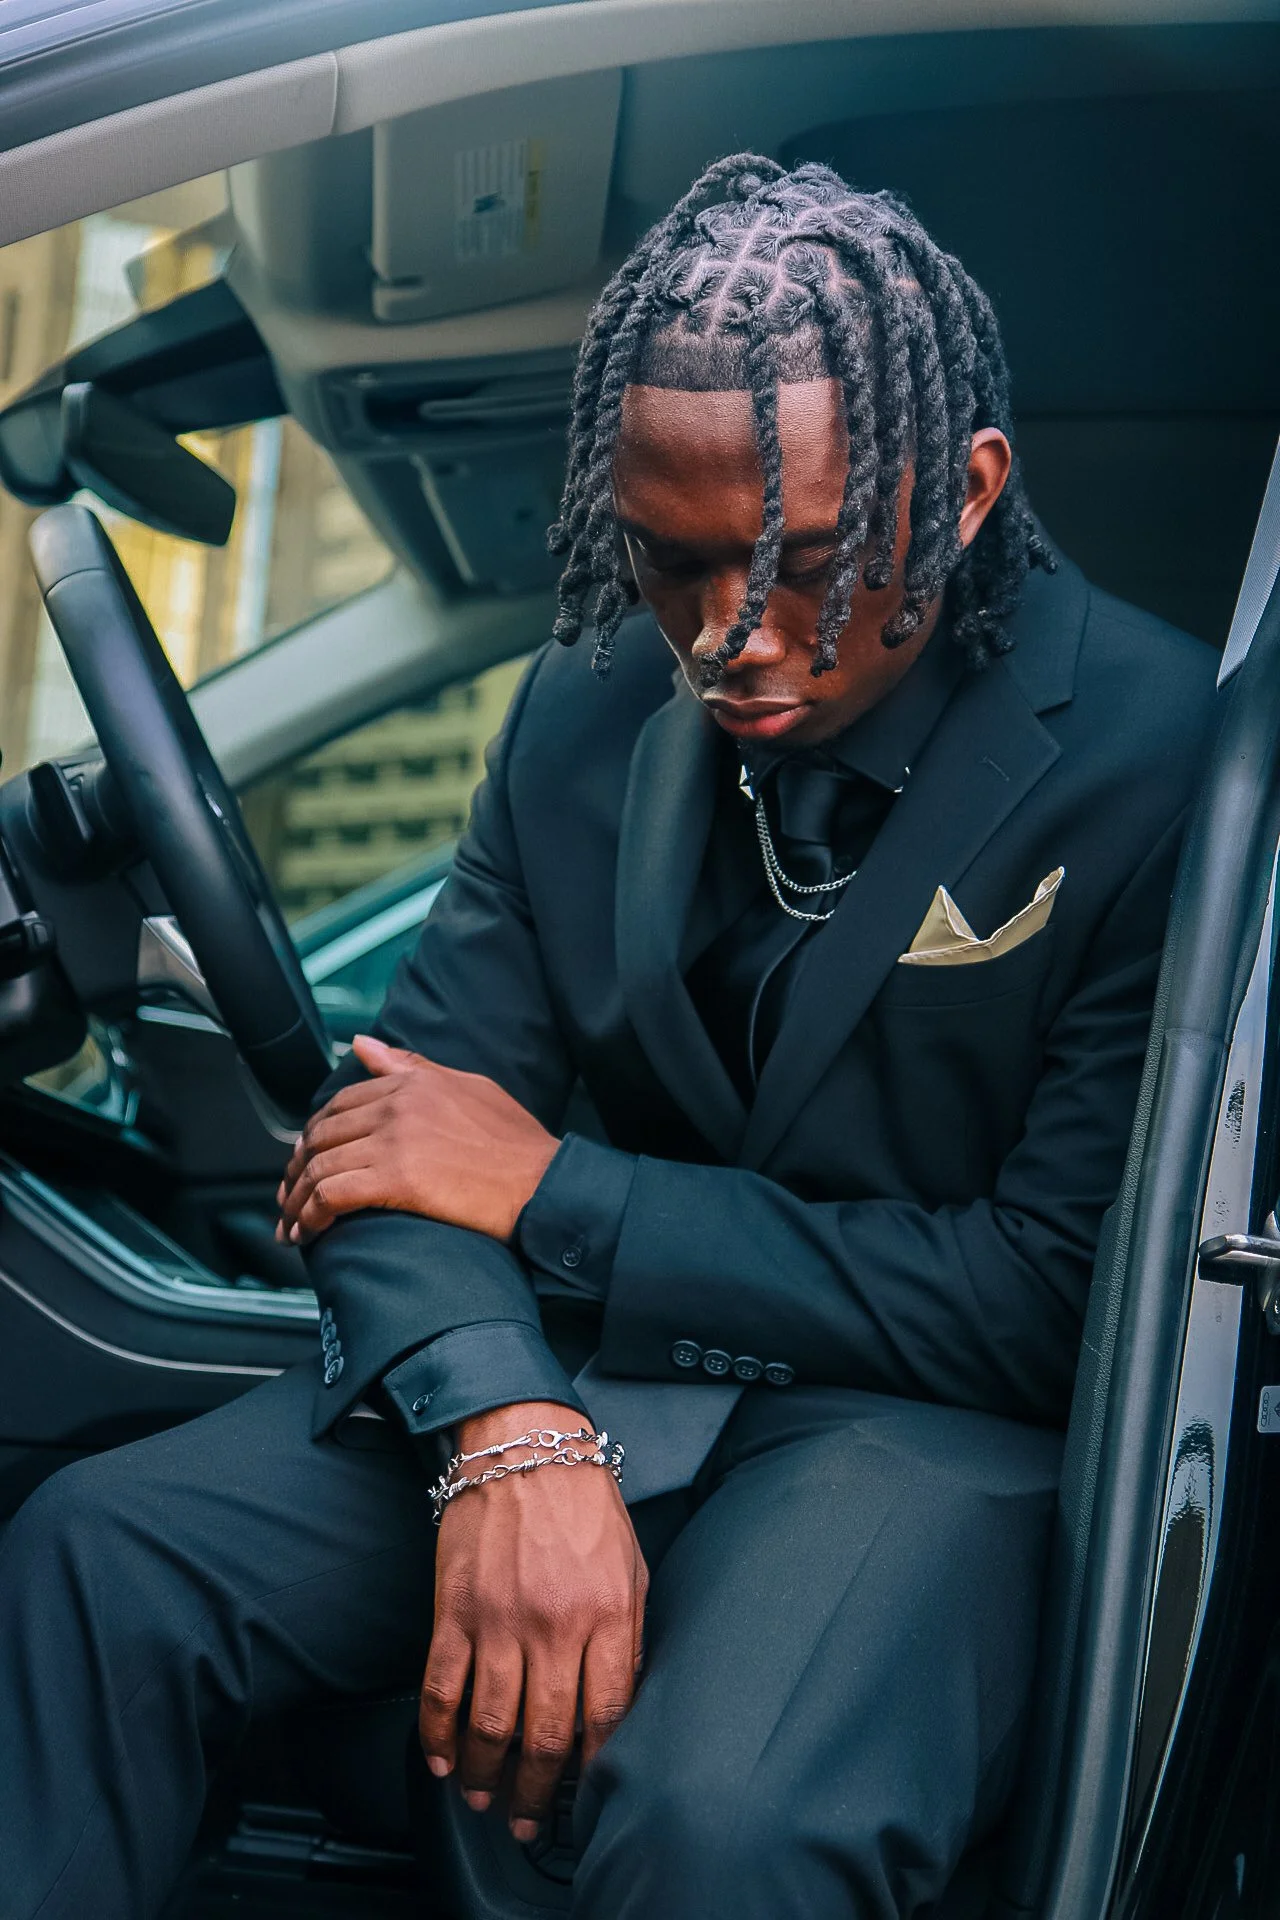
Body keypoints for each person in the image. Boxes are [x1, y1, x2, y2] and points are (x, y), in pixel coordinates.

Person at [0, 155, 1218, 1919]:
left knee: (725, 1827)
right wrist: (507, 1426)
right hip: (570, 1375)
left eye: (804, 563)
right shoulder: (581, 703)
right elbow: (406, 1143)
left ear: (959, 496)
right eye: (679, 563)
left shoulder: (1164, 754)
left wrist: (565, 1196)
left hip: (923, 1434)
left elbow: (1047, 1300)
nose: (732, 637)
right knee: (96, 1564)